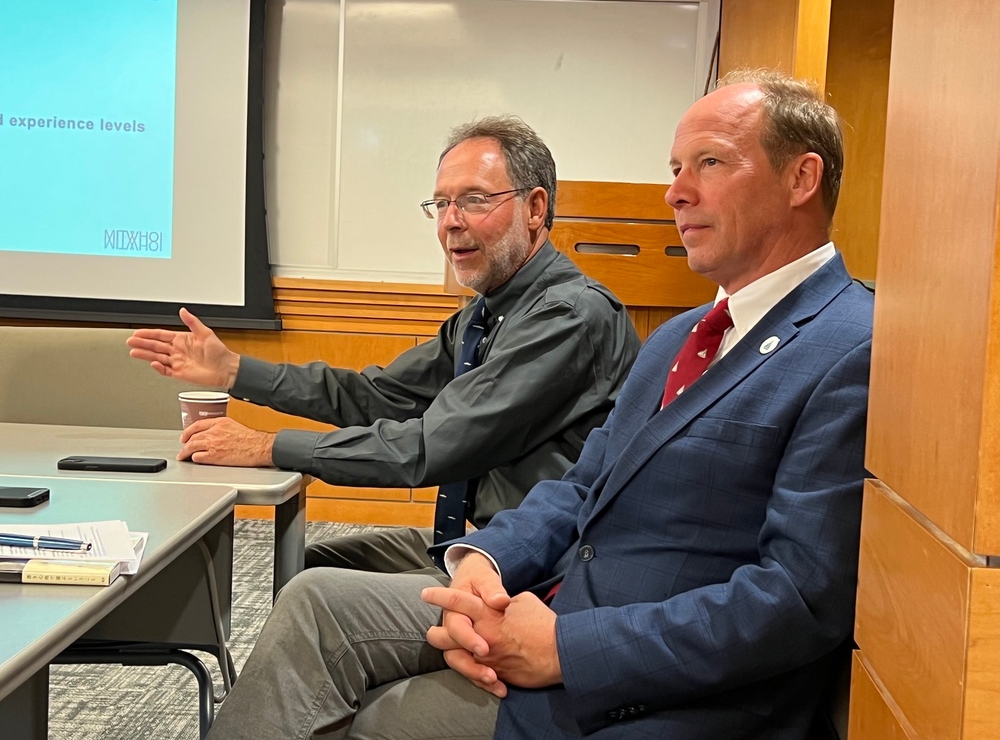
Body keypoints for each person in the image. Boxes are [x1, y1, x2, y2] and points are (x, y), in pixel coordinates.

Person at [204, 70, 874, 740]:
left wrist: (567, 648)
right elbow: (584, 483)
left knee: (384, 716)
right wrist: (482, 562)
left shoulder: (851, 345)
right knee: (317, 599)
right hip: (548, 593)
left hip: (658, 687)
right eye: (675, 167)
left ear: (801, 178)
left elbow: (798, 599)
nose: (676, 192)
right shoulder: (676, 335)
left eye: (710, 163)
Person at [128, 115, 639, 576]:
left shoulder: (567, 316)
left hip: (536, 566)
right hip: (476, 544)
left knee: (314, 598)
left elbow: (429, 447)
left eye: (475, 199)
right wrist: (235, 371)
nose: (450, 221)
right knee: (299, 566)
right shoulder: (484, 314)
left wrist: (267, 447)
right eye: (441, 204)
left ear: (535, 208)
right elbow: (376, 396)